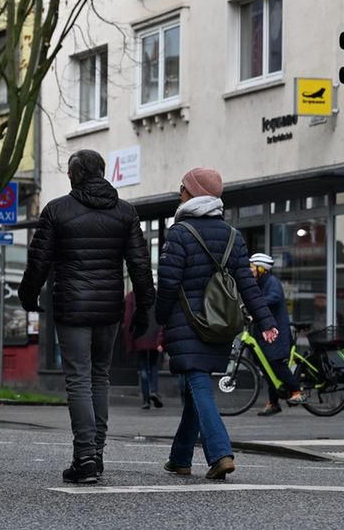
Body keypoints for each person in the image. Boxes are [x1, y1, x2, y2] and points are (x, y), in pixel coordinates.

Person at [19, 150, 155, 484]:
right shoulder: (125, 212)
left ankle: (86, 457)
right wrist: (144, 309)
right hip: (108, 308)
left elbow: (39, 262)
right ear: (101, 172)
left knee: (78, 378)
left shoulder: (57, 210)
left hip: (71, 306)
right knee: (99, 378)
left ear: (75, 174)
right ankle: (97, 453)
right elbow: (140, 265)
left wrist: (28, 295)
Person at [155, 168, 277, 481]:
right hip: (221, 324)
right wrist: (265, 319)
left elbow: (168, 285)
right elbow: (247, 286)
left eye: (182, 188)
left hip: (188, 323)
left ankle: (221, 453)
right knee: (195, 390)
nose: (178, 193)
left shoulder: (180, 233)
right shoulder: (233, 236)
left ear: (193, 194)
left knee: (198, 386)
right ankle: (180, 457)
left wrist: (158, 322)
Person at [250, 253, 305, 416]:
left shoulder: (271, 282)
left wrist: (255, 305)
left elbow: (273, 298)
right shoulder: (260, 283)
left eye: (252, 267)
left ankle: (297, 392)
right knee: (267, 368)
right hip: (266, 332)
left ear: (262, 269)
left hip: (276, 332)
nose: (250, 270)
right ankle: (273, 403)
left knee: (275, 363)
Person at [124, 291, 163, 410]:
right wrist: (161, 339)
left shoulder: (132, 296)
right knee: (154, 366)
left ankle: (146, 400)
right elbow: (162, 316)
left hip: (139, 336)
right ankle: (154, 390)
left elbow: (128, 319)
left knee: (143, 368)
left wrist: (129, 342)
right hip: (154, 337)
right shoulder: (156, 295)